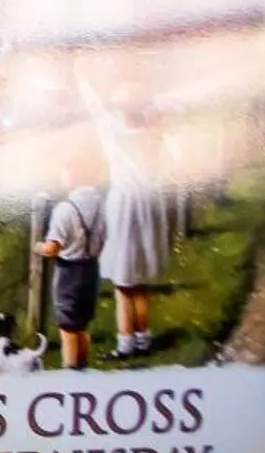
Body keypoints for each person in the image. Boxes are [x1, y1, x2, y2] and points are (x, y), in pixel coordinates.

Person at [88, 84, 172, 359]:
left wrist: (82, 76)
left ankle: (125, 344)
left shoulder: (115, 133)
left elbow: (96, 105)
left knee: (123, 284)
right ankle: (143, 338)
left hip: (126, 204)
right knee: (139, 281)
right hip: (149, 203)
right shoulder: (154, 137)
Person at [36, 156, 105, 370]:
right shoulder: (99, 202)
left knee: (68, 326)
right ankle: (83, 365)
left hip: (69, 272)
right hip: (91, 268)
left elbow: (53, 248)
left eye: (65, 171)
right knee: (83, 324)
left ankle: (71, 369)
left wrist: (38, 247)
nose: (62, 176)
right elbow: (103, 237)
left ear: (76, 175)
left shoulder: (64, 210)